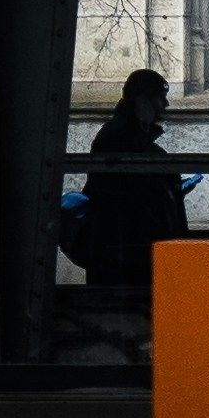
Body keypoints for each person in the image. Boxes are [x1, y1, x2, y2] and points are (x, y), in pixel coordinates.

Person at [59, 71, 188, 298]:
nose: (165, 105)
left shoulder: (120, 134)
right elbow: (131, 195)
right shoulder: (125, 137)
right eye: (160, 98)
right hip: (125, 252)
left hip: (119, 251)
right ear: (142, 100)